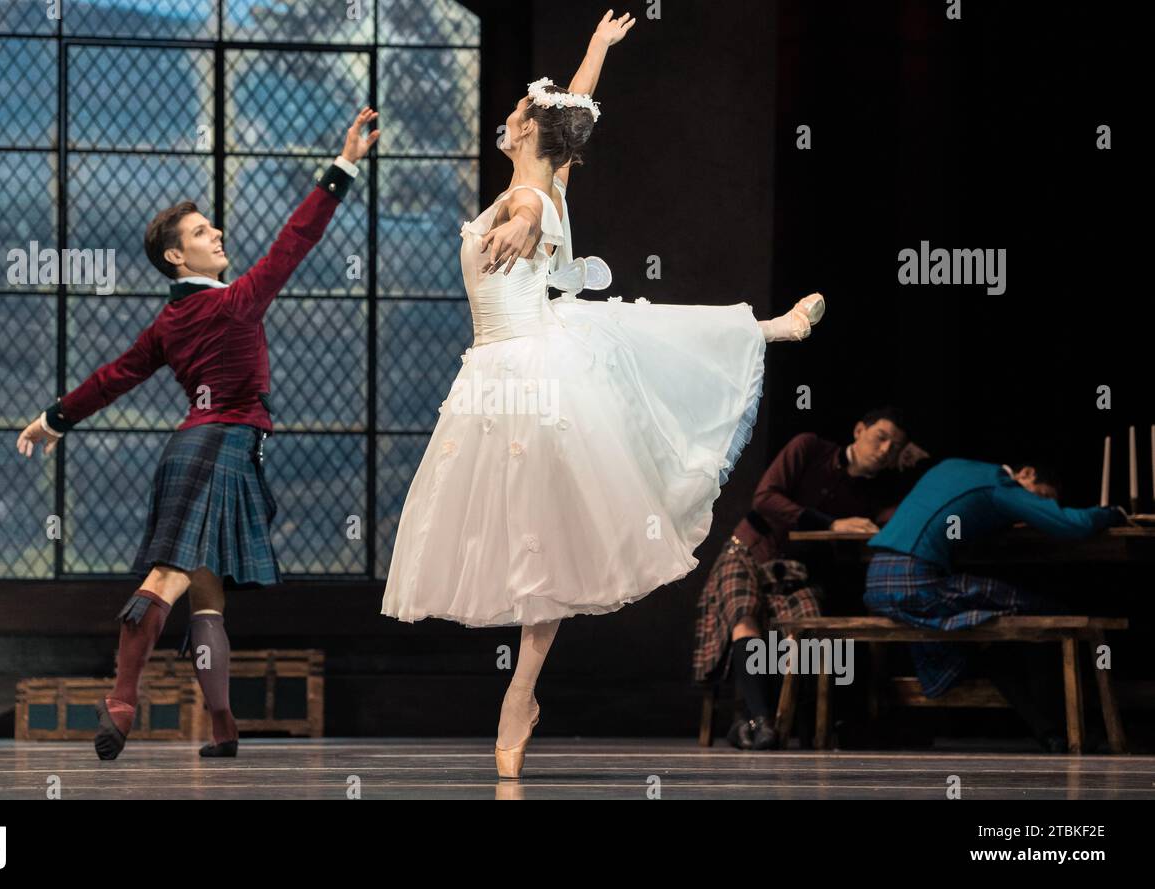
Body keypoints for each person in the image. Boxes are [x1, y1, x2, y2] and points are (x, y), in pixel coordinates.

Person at [379, 11, 826, 779]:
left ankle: (519, 696)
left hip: (533, 371)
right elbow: (574, 114)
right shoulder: (546, 177)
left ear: (528, 134)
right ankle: (522, 693)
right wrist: (595, 50)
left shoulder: (532, 200)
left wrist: (524, 223)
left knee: (557, 514)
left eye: (519, 112)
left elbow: (533, 199)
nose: (510, 115)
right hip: (495, 374)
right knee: (531, 540)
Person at [15, 109, 380, 760]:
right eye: (201, 230)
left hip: (196, 446)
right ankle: (123, 701)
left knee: (206, 596)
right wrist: (343, 166)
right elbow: (298, 238)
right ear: (176, 255)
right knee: (169, 576)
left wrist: (55, 419)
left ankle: (223, 726)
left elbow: (114, 376)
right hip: (224, 447)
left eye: (211, 225)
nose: (216, 233)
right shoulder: (234, 300)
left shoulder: (169, 322)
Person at [691, 407, 926, 749]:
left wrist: (916, 466)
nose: (885, 449)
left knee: (808, 631)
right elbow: (766, 498)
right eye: (881, 438)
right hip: (751, 551)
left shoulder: (876, 494)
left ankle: (785, 723)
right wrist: (829, 523)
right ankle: (762, 722)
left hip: (796, 570)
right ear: (859, 430)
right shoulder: (810, 448)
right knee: (744, 615)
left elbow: (907, 513)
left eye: (896, 446)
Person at [864, 457, 1128, 750]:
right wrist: (1112, 513)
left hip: (876, 579)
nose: (1037, 510)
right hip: (915, 582)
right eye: (1041, 499)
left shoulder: (950, 467)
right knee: (1048, 613)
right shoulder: (1000, 486)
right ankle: (1070, 727)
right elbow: (1070, 525)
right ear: (1026, 471)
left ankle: (1051, 734)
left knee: (988, 644)